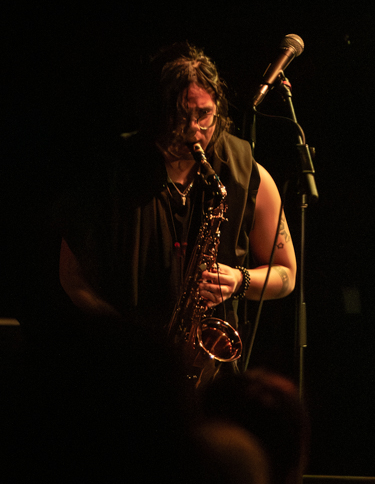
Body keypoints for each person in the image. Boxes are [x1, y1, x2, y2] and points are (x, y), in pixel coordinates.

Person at [58, 43, 296, 348]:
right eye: (181, 116)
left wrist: (239, 280)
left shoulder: (246, 172)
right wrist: (125, 337)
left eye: (204, 114)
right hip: (126, 355)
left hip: (209, 360)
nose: (194, 130)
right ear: (155, 110)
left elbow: (286, 274)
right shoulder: (110, 173)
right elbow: (72, 278)